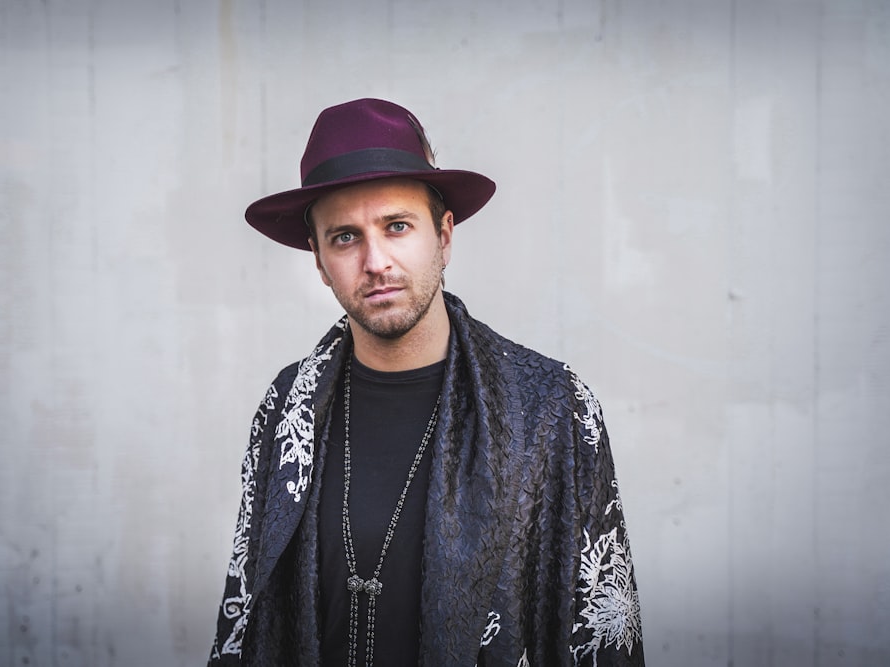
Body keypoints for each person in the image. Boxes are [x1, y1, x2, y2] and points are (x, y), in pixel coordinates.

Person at [208, 98, 645, 666]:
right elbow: (245, 616)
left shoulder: (549, 408)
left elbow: (603, 635)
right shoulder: (286, 408)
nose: (376, 261)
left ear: (443, 235)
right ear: (318, 260)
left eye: (397, 226)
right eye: (344, 237)